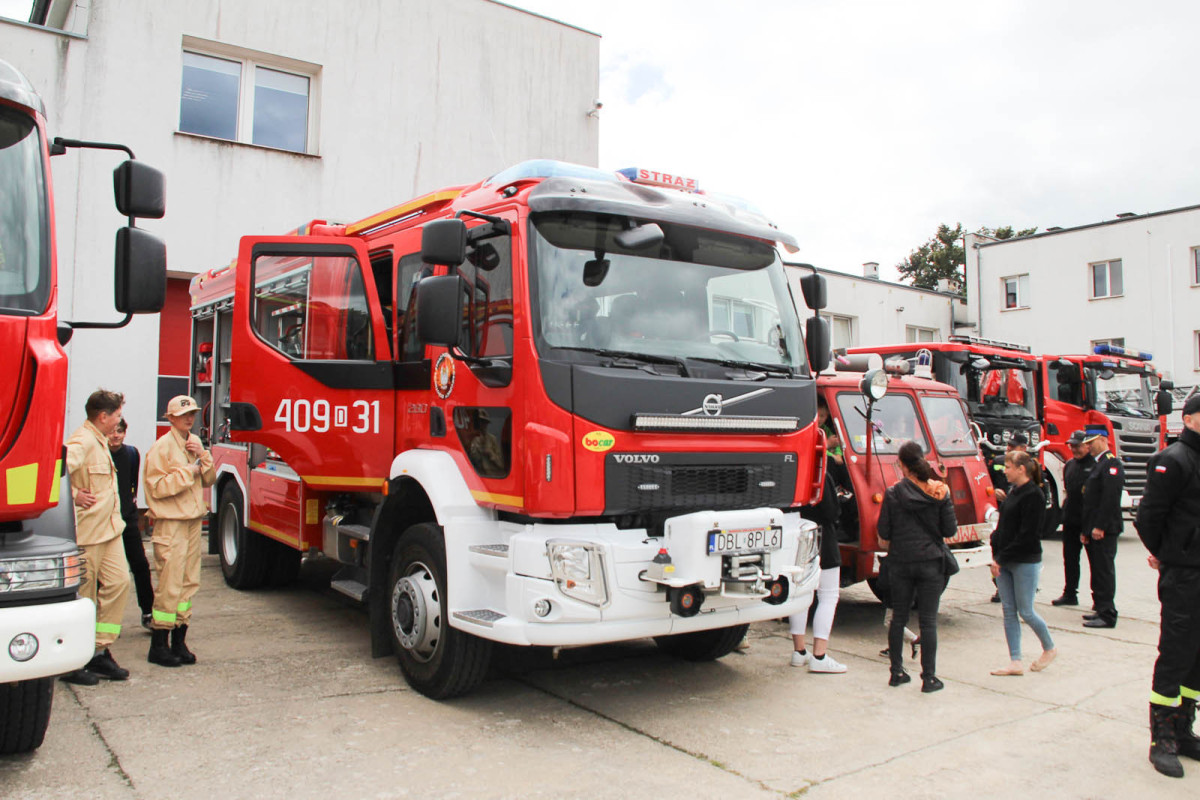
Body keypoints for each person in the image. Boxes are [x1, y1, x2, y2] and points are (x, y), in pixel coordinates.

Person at [1134, 393, 1200, 778]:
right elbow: (1148, 518)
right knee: (1176, 652)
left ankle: (1183, 729)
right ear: (1189, 419)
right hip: (1184, 573)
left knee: (1198, 657)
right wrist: (1168, 554)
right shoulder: (1171, 461)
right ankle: (1162, 738)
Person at [61, 389, 131, 684]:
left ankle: (98, 650)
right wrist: (75, 495)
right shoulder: (82, 441)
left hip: (110, 531)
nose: (119, 420)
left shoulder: (100, 440)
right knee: (84, 597)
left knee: (119, 583)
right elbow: (56, 470)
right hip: (89, 534)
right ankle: (73, 661)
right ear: (103, 417)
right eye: (116, 415)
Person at [877, 440, 956, 693]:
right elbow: (950, 530)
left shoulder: (892, 493)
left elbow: (883, 532)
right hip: (931, 563)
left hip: (900, 563)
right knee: (928, 621)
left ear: (902, 465)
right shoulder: (940, 492)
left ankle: (896, 672)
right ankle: (929, 678)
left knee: (898, 618)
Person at [143, 395, 216, 667]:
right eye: (184, 414)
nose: (190, 418)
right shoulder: (161, 448)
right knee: (169, 585)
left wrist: (203, 455)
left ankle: (179, 640)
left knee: (188, 584)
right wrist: (190, 471)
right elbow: (156, 487)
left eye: (193, 414)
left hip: (192, 522)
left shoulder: (192, 444)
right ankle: (158, 645)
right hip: (171, 523)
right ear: (170, 417)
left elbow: (210, 478)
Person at [988, 450, 1057, 676]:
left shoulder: (1034, 495)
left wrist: (1002, 557)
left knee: (1026, 610)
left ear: (1021, 469)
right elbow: (1004, 526)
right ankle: (1015, 661)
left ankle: (1049, 647)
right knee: (1009, 610)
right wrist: (995, 548)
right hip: (1005, 560)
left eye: (1008, 467)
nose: (1004, 471)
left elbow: (1028, 535)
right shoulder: (1013, 491)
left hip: (1024, 561)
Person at [789, 466, 847, 673]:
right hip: (824, 539)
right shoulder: (821, 474)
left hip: (797, 538)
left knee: (801, 595)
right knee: (828, 596)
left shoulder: (791, 471)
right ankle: (820, 655)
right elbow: (832, 511)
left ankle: (799, 651)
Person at [108, 418, 155, 629]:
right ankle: (103, 619)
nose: (116, 435)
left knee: (141, 566)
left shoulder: (131, 454)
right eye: (112, 431)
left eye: (120, 431)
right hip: (106, 522)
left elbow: (132, 485)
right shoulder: (100, 455)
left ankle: (148, 611)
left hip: (128, 519)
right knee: (107, 575)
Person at [1080, 424, 1124, 628]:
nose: (1089, 447)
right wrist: (1086, 530)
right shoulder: (1098, 464)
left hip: (1105, 528)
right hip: (1094, 528)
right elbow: (1090, 502)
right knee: (1097, 569)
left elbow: (1109, 499)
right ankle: (1100, 606)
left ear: (1103, 439)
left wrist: (1100, 526)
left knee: (1105, 570)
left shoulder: (1111, 464)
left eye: (1091, 442)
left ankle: (1107, 614)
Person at [1052, 430, 1097, 607]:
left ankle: (1098, 598)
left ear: (1087, 445)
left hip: (1087, 520)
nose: (1074, 449)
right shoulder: (1069, 465)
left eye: (1077, 446)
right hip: (1071, 520)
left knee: (1095, 562)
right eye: (1071, 446)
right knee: (1070, 559)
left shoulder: (1094, 466)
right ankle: (1070, 593)